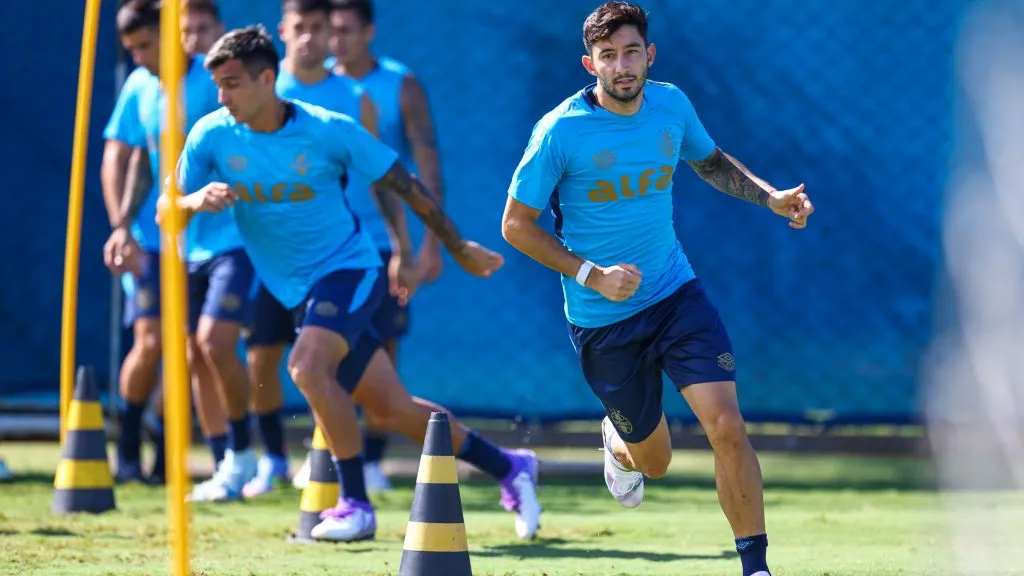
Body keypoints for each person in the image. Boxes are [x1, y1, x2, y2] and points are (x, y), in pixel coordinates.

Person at [162, 24, 541, 541]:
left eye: (232, 84)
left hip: (349, 269)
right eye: (219, 85)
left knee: (306, 366)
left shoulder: (327, 129)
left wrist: (455, 247)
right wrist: (191, 201)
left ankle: (355, 504)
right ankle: (509, 466)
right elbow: (167, 210)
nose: (222, 96)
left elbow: (404, 183)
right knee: (392, 409)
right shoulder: (211, 134)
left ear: (267, 79)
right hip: (294, 290)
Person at [501, 3, 814, 576]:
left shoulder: (671, 104)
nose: (622, 66)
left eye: (630, 52)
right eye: (608, 56)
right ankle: (620, 444)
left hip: (676, 295)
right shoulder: (559, 132)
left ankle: (757, 568)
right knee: (658, 462)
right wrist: (592, 274)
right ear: (588, 64)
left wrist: (770, 197)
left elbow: (712, 162)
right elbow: (515, 226)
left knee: (727, 424)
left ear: (650, 55)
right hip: (603, 318)